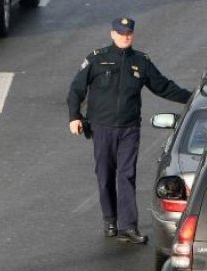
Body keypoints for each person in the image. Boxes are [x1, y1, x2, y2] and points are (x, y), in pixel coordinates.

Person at [67, 17, 192, 244]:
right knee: (105, 175)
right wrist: (74, 116)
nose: (125, 37)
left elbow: (163, 86)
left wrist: (192, 98)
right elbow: (76, 89)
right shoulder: (97, 59)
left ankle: (128, 226)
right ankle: (110, 220)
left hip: (129, 129)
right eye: (121, 33)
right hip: (102, 127)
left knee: (127, 175)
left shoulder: (141, 62)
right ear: (112, 34)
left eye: (129, 33)